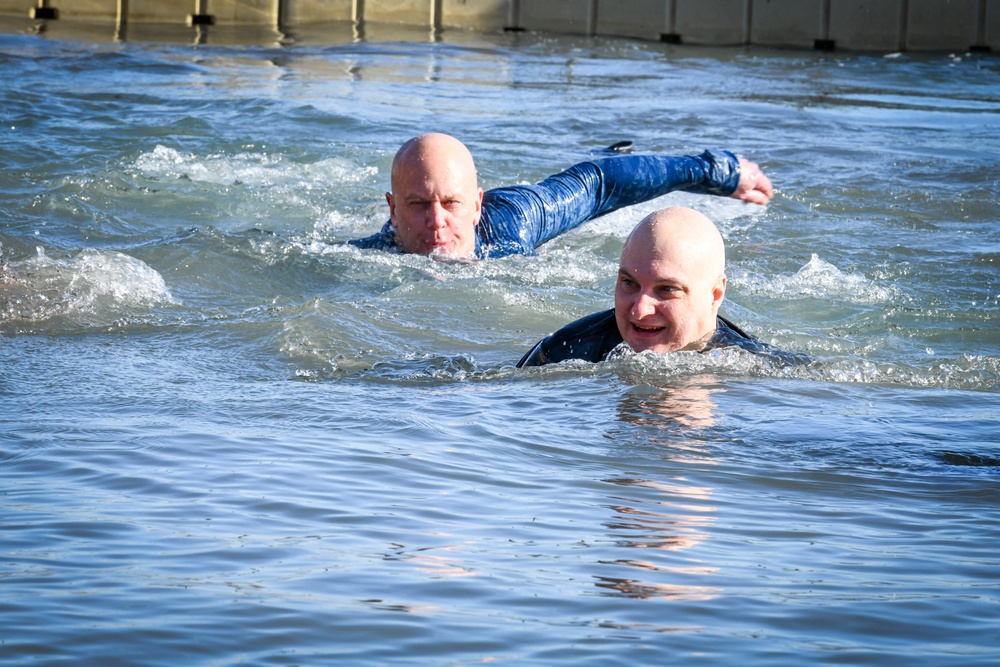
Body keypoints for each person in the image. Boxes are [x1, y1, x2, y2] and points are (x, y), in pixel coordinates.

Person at [348, 133, 773, 259]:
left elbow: (599, 183)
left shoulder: (515, 222)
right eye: (418, 206)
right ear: (394, 209)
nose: (437, 222)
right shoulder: (369, 254)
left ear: (477, 204)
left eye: (452, 204)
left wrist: (715, 171)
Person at [517, 206, 807, 367]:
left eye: (666, 289)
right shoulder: (563, 352)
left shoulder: (762, 371)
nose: (640, 310)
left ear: (715, 295)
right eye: (629, 283)